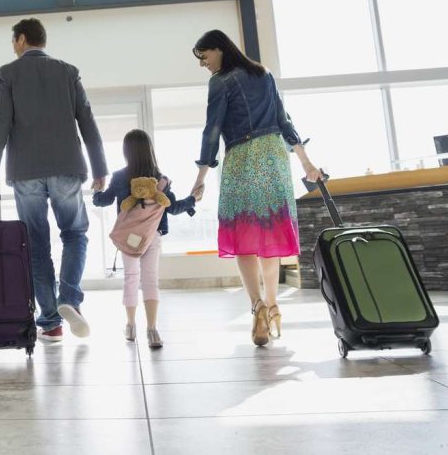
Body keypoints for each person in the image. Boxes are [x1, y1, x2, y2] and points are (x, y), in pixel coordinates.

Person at [0, 18, 108, 343]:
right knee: (74, 234)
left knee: (36, 244)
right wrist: (100, 168)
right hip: (66, 166)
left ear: (21, 39)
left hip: (25, 171)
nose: (13, 47)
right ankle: (69, 298)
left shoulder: (8, 73)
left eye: (13, 41)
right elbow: (87, 121)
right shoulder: (68, 71)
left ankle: (51, 323)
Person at [189, 30, 323, 347]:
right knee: (269, 233)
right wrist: (306, 162)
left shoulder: (220, 82)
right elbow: (284, 120)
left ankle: (257, 305)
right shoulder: (264, 74)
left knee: (243, 235)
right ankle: (273, 304)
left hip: (242, 156)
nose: (204, 64)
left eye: (204, 57)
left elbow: (212, 130)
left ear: (219, 49)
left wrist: (201, 177)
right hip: (273, 157)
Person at [93, 129, 199, 349]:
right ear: (149, 150)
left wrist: (96, 190)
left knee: (131, 278)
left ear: (126, 152)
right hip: (153, 234)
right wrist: (193, 199)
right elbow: (173, 208)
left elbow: (103, 201)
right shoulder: (160, 179)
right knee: (150, 280)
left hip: (129, 237)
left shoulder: (120, 177)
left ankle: (131, 326)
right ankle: (152, 330)